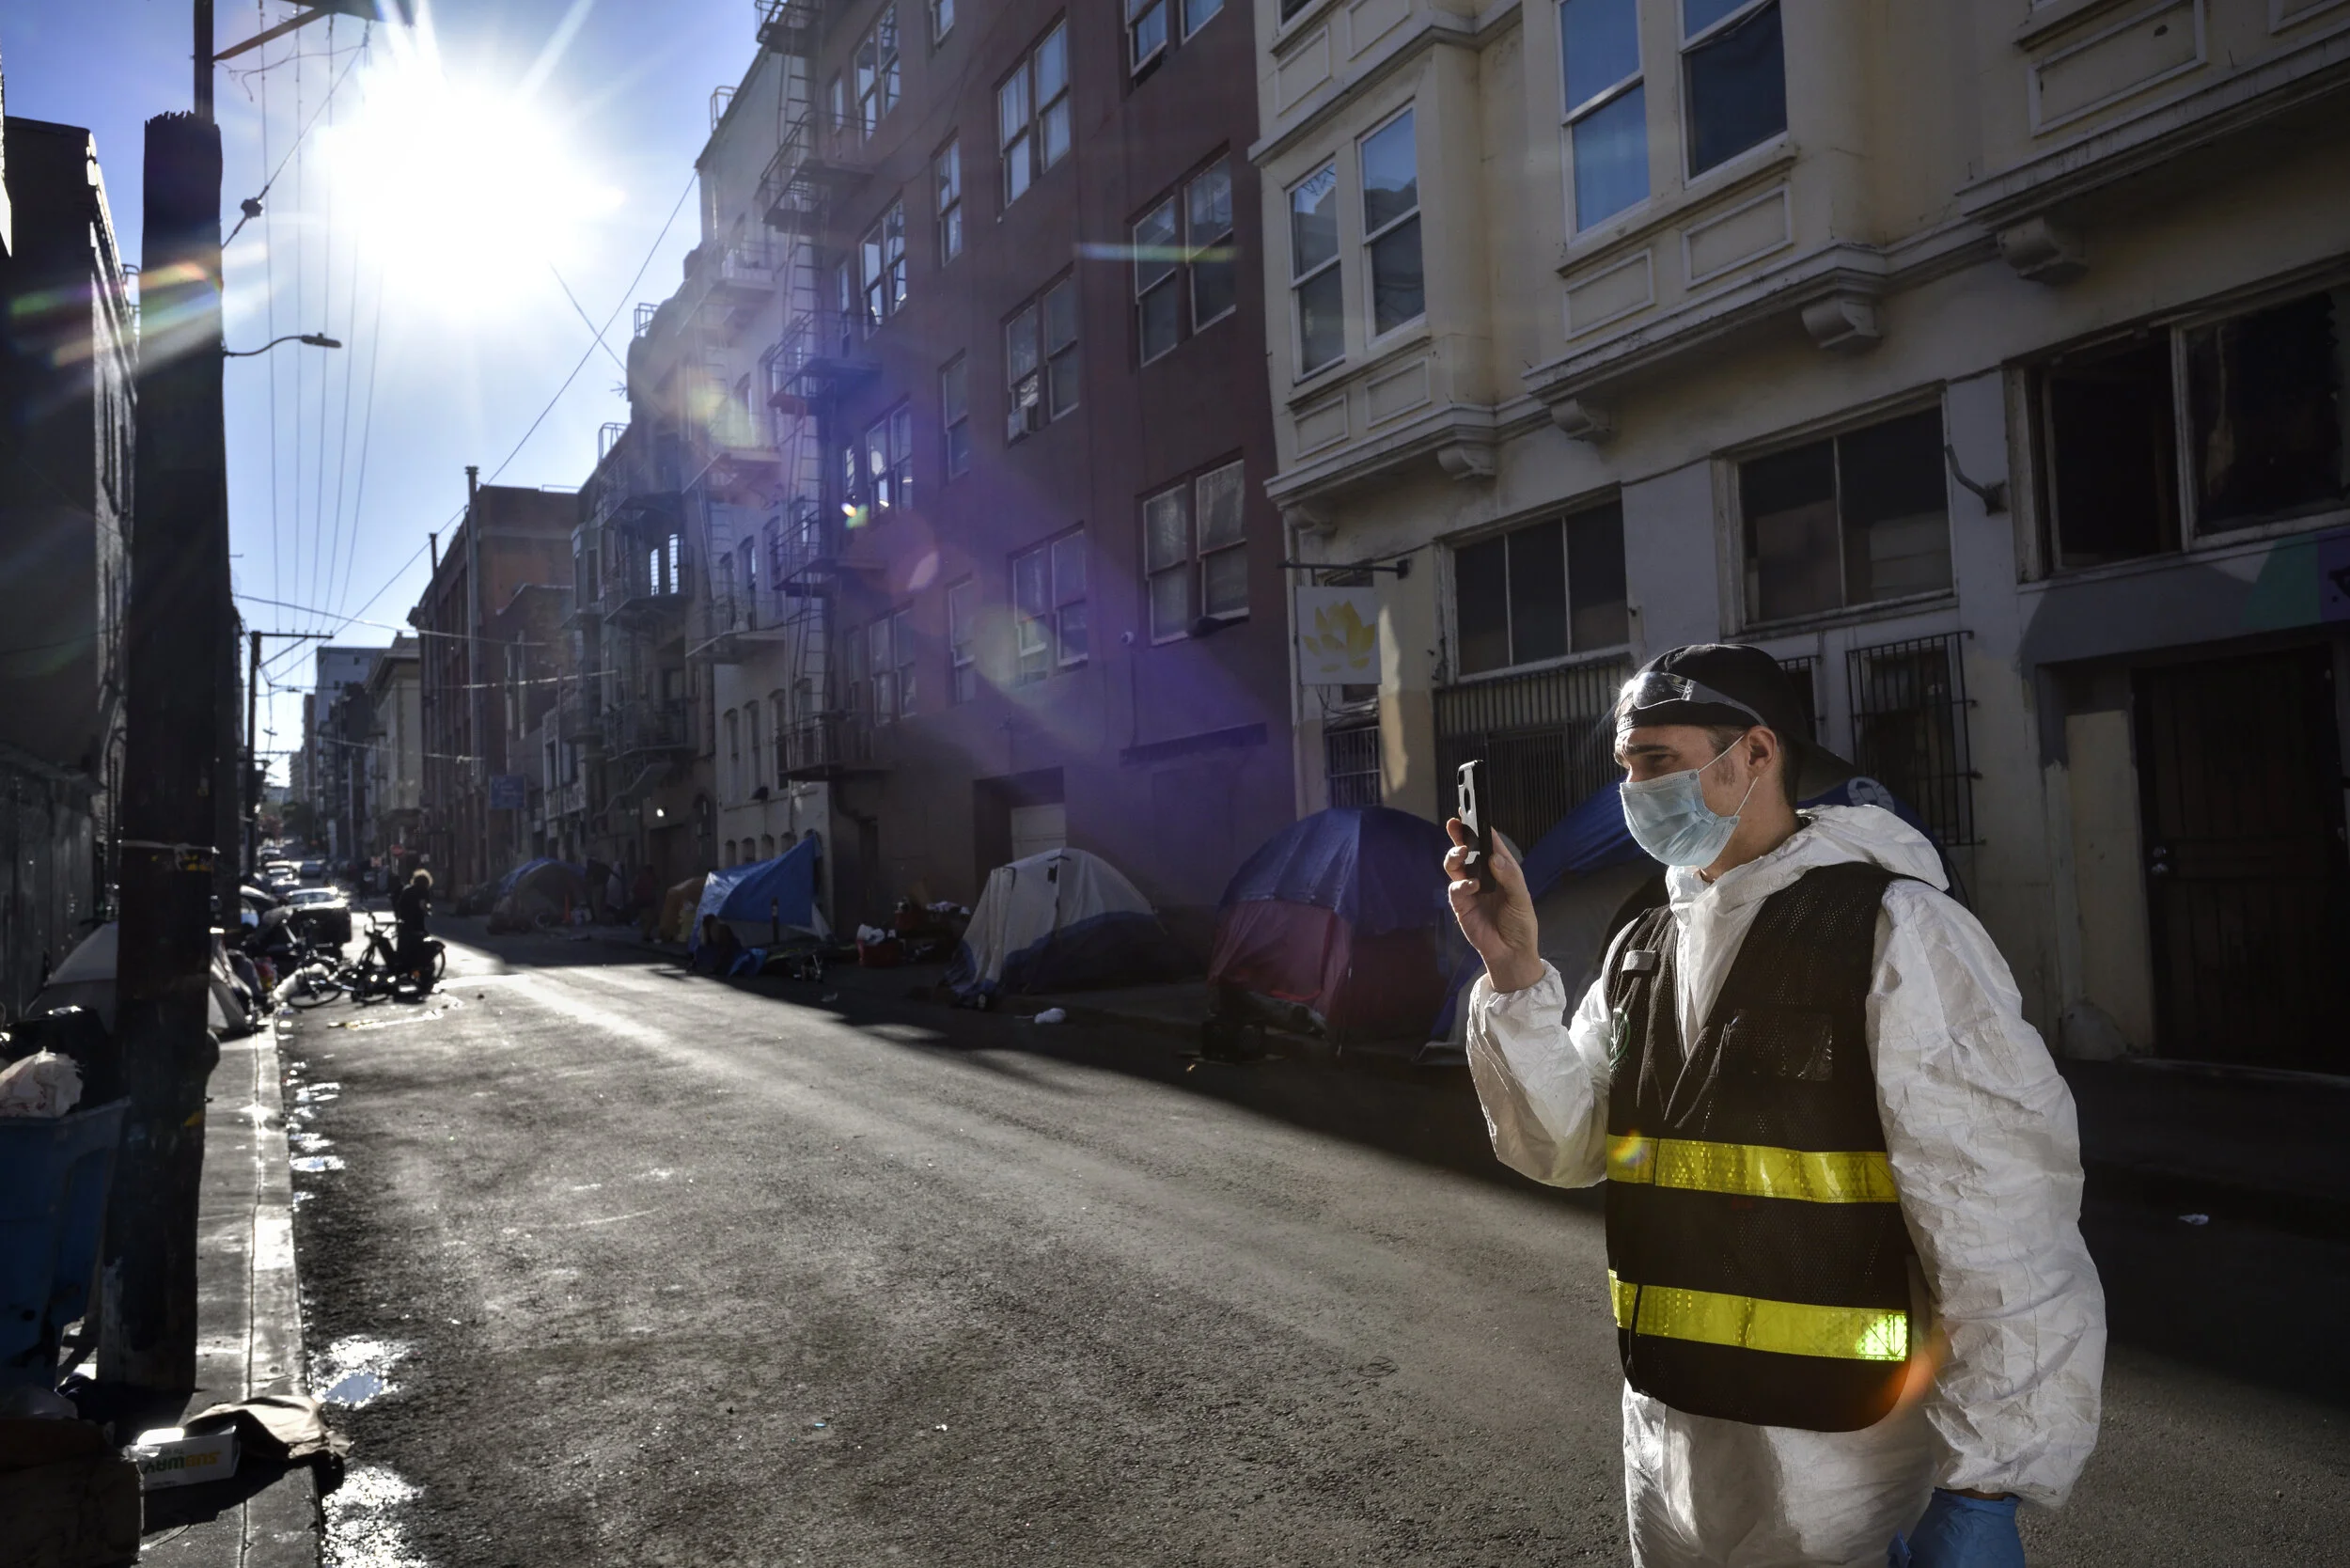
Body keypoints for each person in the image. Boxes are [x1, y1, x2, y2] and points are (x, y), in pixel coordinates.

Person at [1446, 644, 2104, 1568]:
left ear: (1754, 754)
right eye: (1626, 768)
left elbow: (2002, 1220)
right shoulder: (1645, 943)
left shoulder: (1895, 931)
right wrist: (1514, 975)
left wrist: (1987, 1483)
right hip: (1670, 1444)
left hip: (1840, 1465)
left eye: (1657, 763)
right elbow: (1567, 1147)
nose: (1634, 793)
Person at [393, 869, 434, 985]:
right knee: (422, 944)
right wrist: (427, 911)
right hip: (416, 922)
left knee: (404, 946)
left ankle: (402, 967)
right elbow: (422, 905)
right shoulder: (423, 891)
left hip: (404, 922)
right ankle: (419, 971)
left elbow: (399, 906)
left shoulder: (407, 890)